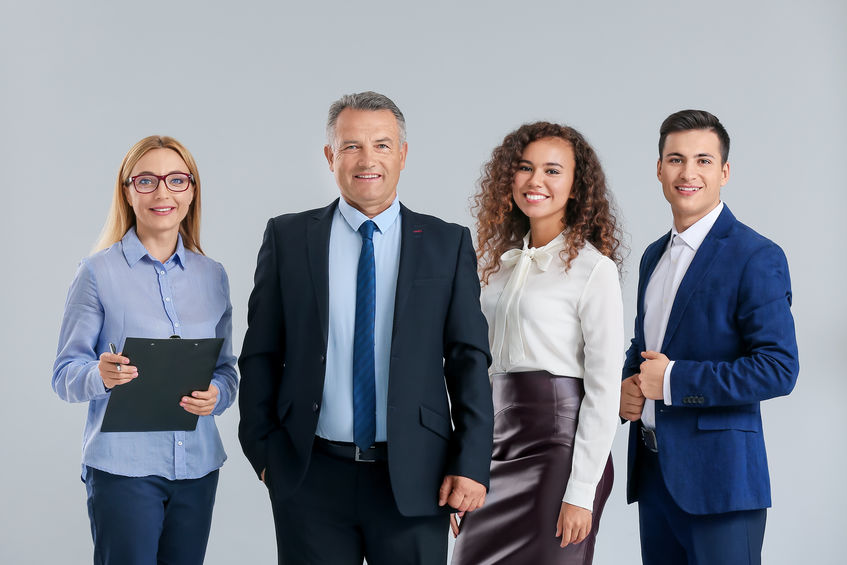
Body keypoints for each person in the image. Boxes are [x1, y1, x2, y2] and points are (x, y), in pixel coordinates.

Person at [238, 91, 494, 565]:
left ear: (402, 154)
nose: (367, 159)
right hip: (309, 474)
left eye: (381, 144)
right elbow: (260, 353)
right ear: (330, 157)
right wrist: (263, 450)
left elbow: (468, 360)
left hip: (417, 476)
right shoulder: (289, 238)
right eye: (351, 146)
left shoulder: (446, 243)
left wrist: (472, 462)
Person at [619, 109, 799, 565]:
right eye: (676, 159)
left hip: (722, 484)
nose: (688, 172)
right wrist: (625, 385)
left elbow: (778, 369)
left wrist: (676, 382)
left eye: (703, 160)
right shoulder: (652, 257)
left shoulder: (755, 255)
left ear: (724, 172)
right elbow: (647, 346)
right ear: (659, 169)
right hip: (656, 476)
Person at [52, 135, 239, 565]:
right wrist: (100, 376)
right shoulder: (97, 273)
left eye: (176, 180)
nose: (162, 193)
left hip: (198, 468)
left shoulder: (214, 276)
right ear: (127, 192)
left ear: (192, 193)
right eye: (147, 181)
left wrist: (218, 395)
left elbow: (227, 370)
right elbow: (64, 374)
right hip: (123, 472)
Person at [451, 122, 624, 564]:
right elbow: (474, 370)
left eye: (552, 171)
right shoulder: (497, 267)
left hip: (558, 453)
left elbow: (604, 390)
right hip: (493, 446)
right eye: (525, 168)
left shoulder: (594, 270)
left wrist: (582, 491)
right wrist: (463, 465)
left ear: (575, 186)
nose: (536, 181)